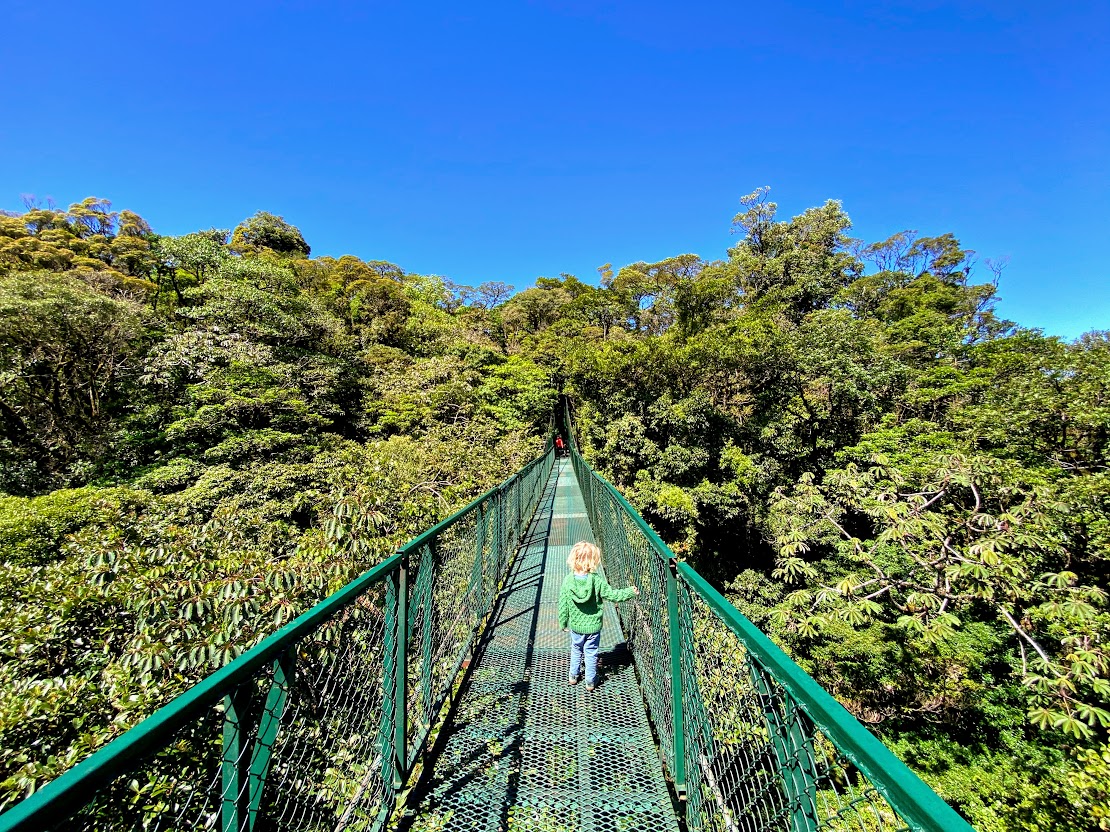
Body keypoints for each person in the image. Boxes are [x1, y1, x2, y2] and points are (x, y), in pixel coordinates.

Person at [557, 541, 638, 691]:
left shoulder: (568, 581)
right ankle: (590, 681)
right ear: (593, 561)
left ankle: (573, 676)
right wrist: (630, 592)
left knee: (576, 649)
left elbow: (563, 604)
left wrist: (563, 622)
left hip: (576, 626)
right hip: (593, 627)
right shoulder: (596, 581)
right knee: (591, 652)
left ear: (573, 559)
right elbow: (613, 595)